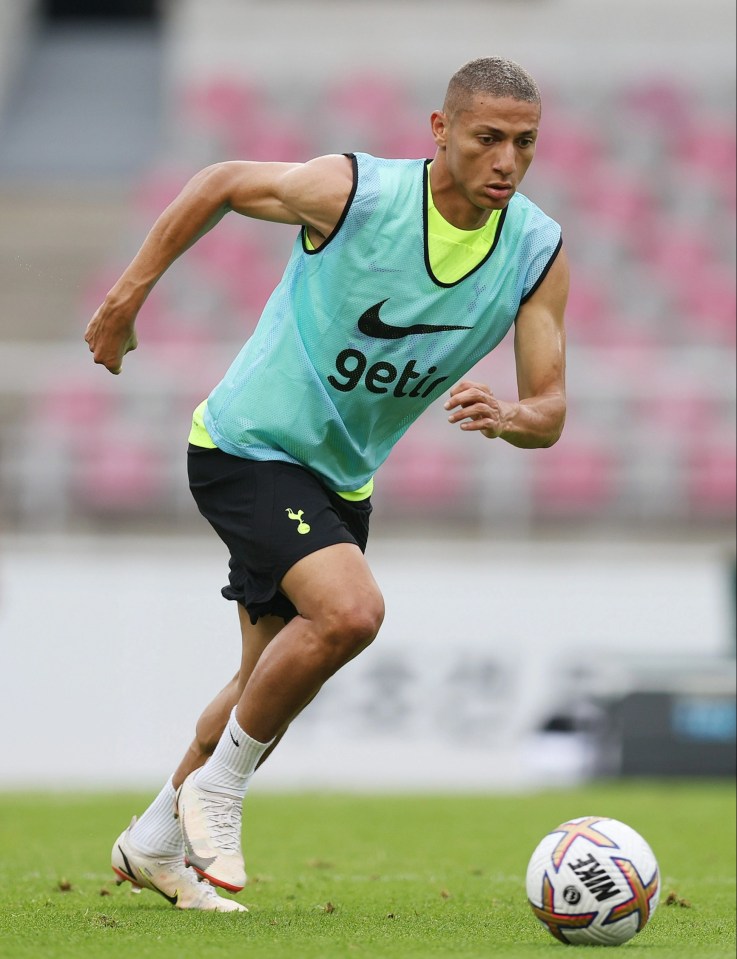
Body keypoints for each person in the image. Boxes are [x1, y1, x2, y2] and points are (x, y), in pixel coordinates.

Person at [85, 56, 568, 911]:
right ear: (440, 130)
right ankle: (217, 795)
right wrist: (126, 299)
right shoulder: (358, 195)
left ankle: (156, 840)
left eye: (523, 143)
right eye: (487, 138)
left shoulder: (533, 250)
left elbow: (551, 411)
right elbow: (221, 181)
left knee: (267, 680)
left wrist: (509, 415)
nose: (506, 160)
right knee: (350, 613)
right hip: (246, 447)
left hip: (340, 480)